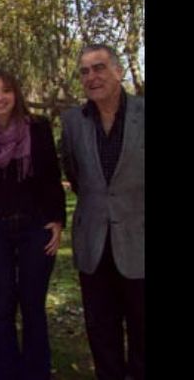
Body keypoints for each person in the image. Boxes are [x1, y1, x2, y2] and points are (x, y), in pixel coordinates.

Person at [0, 69, 65, 380]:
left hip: (35, 229)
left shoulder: (37, 128)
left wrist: (57, 220)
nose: (0, 97)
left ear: (16, 94)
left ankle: (36, 373)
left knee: (32, 304)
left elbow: (51, 177)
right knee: (2, 307)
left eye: (6, 90)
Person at [61, 44, 144, 380]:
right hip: (94, 244)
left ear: (118, 71)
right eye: (84, 71)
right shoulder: (73, 122)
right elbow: (75, 174)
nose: (91, 77)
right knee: (102, 334)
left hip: (139, 241)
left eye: (99, 68)